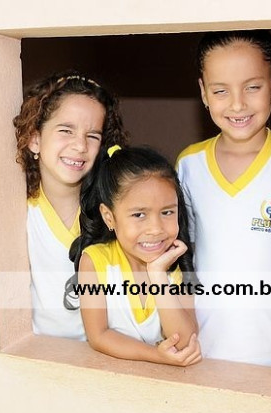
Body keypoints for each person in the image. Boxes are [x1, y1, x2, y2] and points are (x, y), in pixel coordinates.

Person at [175, 30, 271, 369]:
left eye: (252, 87)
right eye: (220, 91)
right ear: (203, 93)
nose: (237, 104)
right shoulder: (189, 165)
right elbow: (182, 264)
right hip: (204, 355)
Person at [13, 69, 128, 340]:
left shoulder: (112, 212)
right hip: (40, 355)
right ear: (35, 139)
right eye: (66, 130)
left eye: (93, 136)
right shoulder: (19, 211)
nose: (80, 146)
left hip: (106, 353)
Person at [66, 145, 201, 366]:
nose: (156, 229)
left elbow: (185, 342)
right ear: (109, 217)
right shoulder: (95, 261)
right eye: (139, 215)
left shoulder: (176, 263)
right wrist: (156, 355)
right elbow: (98, 335)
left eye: (167, 212)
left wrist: (158, 275)